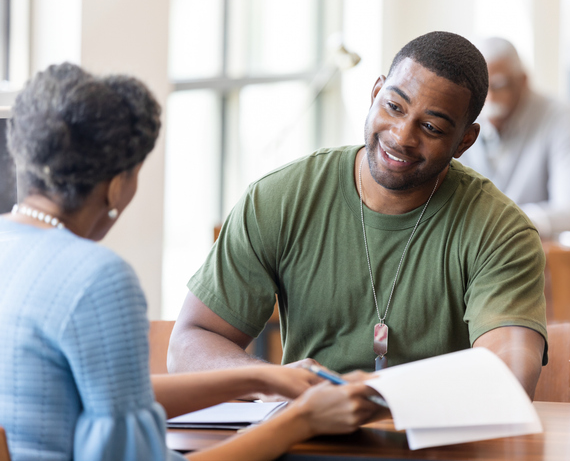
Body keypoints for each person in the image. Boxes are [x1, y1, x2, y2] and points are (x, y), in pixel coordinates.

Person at [0, 63, 380, 461]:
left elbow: (117, 397)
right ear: (116, 187)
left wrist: (264, 376)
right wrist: (301, 420)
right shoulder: (95, 277)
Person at [168, 31, 548, 399]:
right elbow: (191, 341)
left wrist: (376, 397)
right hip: (303, 436)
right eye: (394, 106)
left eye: (430, 127)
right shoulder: (280, 198)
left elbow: (507, 379)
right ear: (375, 92)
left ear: (465, 140)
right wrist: (269, 380)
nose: (401, 136)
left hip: (433, 445)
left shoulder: (500, 231)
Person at [457, 37, 570, 239]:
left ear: (522, 81)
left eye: (498, 85)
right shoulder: (462, 114)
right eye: (479, 87)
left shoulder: (561, 117)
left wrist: (500, 224)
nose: (488, 97)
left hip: (534, 259)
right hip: (466, 256)